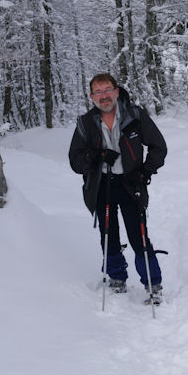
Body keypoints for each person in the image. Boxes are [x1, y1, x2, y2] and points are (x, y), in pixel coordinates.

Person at [69, 73, 167, 302]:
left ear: (116, 90)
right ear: (92, 96)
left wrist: (143, 172)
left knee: (139, 236)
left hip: (130, 183)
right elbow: (75, 160)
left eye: (107, 90)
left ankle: (153, 284)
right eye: (98, 92)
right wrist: (96, 155)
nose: (104, 96)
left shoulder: (134, 115)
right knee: (108, 235)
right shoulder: (85, 123)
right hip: (102, 186)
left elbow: (158, 147)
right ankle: (116, 276)